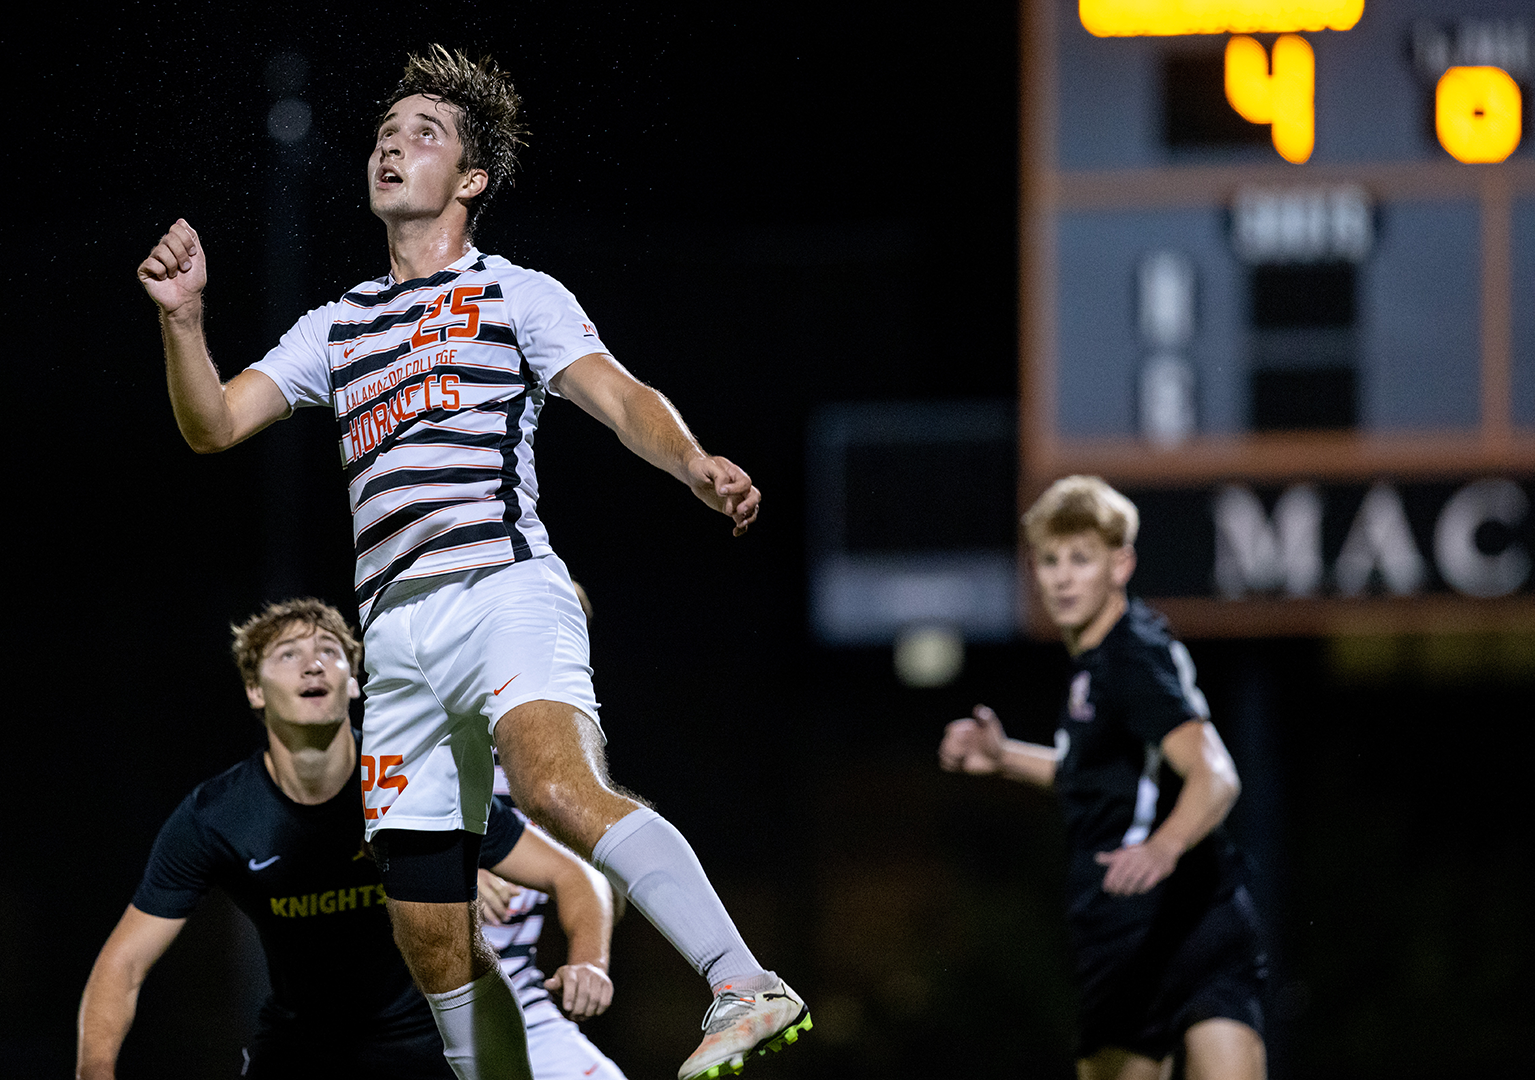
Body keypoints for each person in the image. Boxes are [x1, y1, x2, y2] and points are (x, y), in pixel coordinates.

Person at [136, 44, 805, 1080]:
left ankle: (741, 979)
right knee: (429, 928)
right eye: (383, 135)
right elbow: (214, 425)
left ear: (473, 177)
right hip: (394, 636)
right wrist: (184, 322)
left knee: (554, 786)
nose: (391, 149)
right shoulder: (338, 324)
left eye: (424, 135)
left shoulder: (513, 293)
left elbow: (619, 395)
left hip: (501, 589)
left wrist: (691, 462)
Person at [77, 599, 624, 1080]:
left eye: (330, 651)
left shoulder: (416, 781)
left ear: (355, 680)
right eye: (287, 654)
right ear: (253, 690)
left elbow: (575, 875)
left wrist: (589, 961)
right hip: (300, 1047)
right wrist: (94, 1070)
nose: (313, 663)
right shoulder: (216, 817)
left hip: (429, 1046)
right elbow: (122, 966)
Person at [938, 476, 1269, 1080]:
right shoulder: (1104, 656)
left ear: (1121, 564)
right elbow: (1100, 779)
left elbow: (1216, 773)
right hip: (1199, 913)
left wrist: (1164, 847)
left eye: (1080, 559)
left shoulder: (1127, 659)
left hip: (1148, 921)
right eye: (1049, 560)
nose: (1062, 578)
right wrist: (1005, 755)